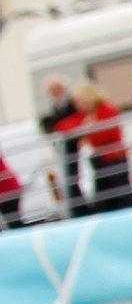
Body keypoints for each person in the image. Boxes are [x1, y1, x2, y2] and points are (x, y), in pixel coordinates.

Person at [57, 81, 132, 214]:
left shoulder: (107, 110)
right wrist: (86, 129)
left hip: (114, 159)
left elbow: (107, 134)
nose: (77, 106)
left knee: (122, 196)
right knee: (103, 199)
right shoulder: (87, 115)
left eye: (78, 101)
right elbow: (63, 126)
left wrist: (88, 132)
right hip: (100, 161)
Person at [37, 75, 79, 219]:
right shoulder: (53, 112)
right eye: (52, 90)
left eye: (57, 89)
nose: (55, 93)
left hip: (76, 150)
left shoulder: (74, 106)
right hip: (63, 153)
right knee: (66, 182)